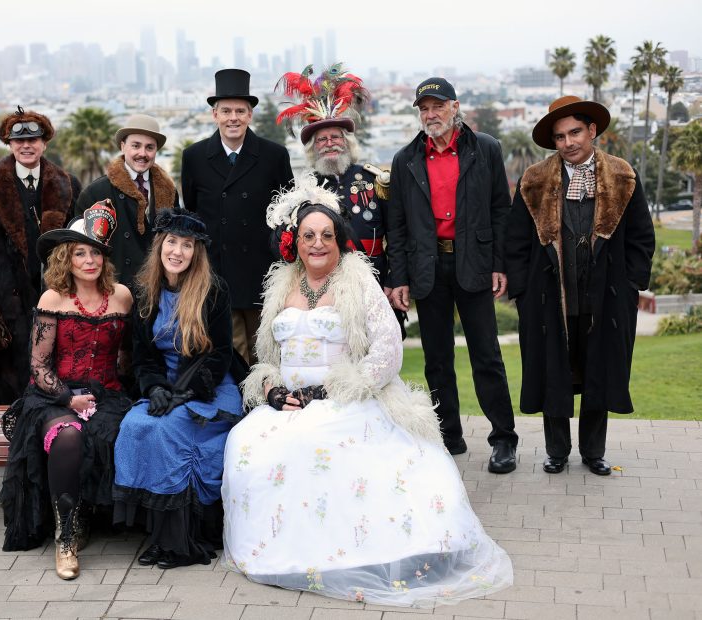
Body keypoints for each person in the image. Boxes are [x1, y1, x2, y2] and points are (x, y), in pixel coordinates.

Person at [222, 174, 512, 607]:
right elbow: (267, 357)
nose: (317, 243)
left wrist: (332, 389)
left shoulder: (359, 282)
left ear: (340, 240)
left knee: (313, 440)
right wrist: (273, 390)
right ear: (294, 243)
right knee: (246, 443)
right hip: (288, 403)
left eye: (326, 235)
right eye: (308, 236)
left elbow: (387, 350)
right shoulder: (280, 287)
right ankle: (280, 551)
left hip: (347, 397)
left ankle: (351, 551)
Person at [505, 96, 655, 476]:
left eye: (575, 132)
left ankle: (593, 452)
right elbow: (516, 243)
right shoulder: (534, 181)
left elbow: (642, 237)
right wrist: (522, 295)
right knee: (553, 373)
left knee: (598, 373)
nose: (568, 142)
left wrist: (631, 285)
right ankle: (557, 451)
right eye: (559, 136)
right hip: (549, 300)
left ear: (592, 131)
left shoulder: (623, 177)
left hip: (607, 298)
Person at [386, 77, 518, 473]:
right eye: (424, 108)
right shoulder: (405, 158)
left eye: (438, 106)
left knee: (486, 356)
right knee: (437, 360)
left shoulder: (486, 149)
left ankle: (503, 440)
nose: (431, 114)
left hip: (474, 263)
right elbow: (397, 225)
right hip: (428, 266)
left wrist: (500, 264)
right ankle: (450, 436)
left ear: (454, 107)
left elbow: (501, 210)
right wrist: (400, 276)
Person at [0, 202, 134, 580]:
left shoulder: (121, 297)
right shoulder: (53, 299)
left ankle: (95, 515)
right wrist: (68, 399)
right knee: (69, 437)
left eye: (95, 252)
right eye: (80, 253)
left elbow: (125, 356)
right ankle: (66, 535)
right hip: (53, 395)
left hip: (107, 393)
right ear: (66, 258)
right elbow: (39, 366)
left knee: (119, 432)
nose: (89, 260)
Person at [113, 207, 248, 569]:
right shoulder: (145, 292)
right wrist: (156, 388)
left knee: (169, 430)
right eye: (171, 242)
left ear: (196, 252)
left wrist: (184, 392)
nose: (178, 251)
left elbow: (219, 355)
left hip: (207, 388)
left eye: (187, 245)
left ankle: (182, 544)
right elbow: (143, 357)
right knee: (136, 426)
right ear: (159, 246)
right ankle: (160, 538)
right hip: (165, 387)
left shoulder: (212, 291)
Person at [0, 106, 82, 405]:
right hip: (3, 313)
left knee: (57, 396)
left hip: (58, 306)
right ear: (9, 143)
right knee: (2, 397)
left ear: (45, 142)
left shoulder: (68, 185)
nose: (26, 146)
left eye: (34, 139)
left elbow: (81, 251)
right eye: (19, 141)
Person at [275, 63, 406, 333]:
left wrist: (395, 279)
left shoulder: (374, 180)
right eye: (321, 140)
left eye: (335, 136)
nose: (330, 143)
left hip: (376, 284)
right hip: (327, 293)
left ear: (347, 142)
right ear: (313, 149)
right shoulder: (305, 191)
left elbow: (397, 233)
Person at [181, 68, 294, 365]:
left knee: (268, 354)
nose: (233, 117)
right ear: (214, 114)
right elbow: (192, 213)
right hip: (217, 274)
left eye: (240, 111)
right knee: (229, 356)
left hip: (262, 274)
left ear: (250, 115)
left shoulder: (274, 155)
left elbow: (287, 215)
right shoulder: (193, 157)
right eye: (226, 110)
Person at [76, 114, 180, 287]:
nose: (143, 153)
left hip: (157, 287)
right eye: (136, 146)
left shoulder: (169, 191)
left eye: (149, 147)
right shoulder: (96, 193)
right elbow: (82, 250)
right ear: (123, 146)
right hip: (113, 289)